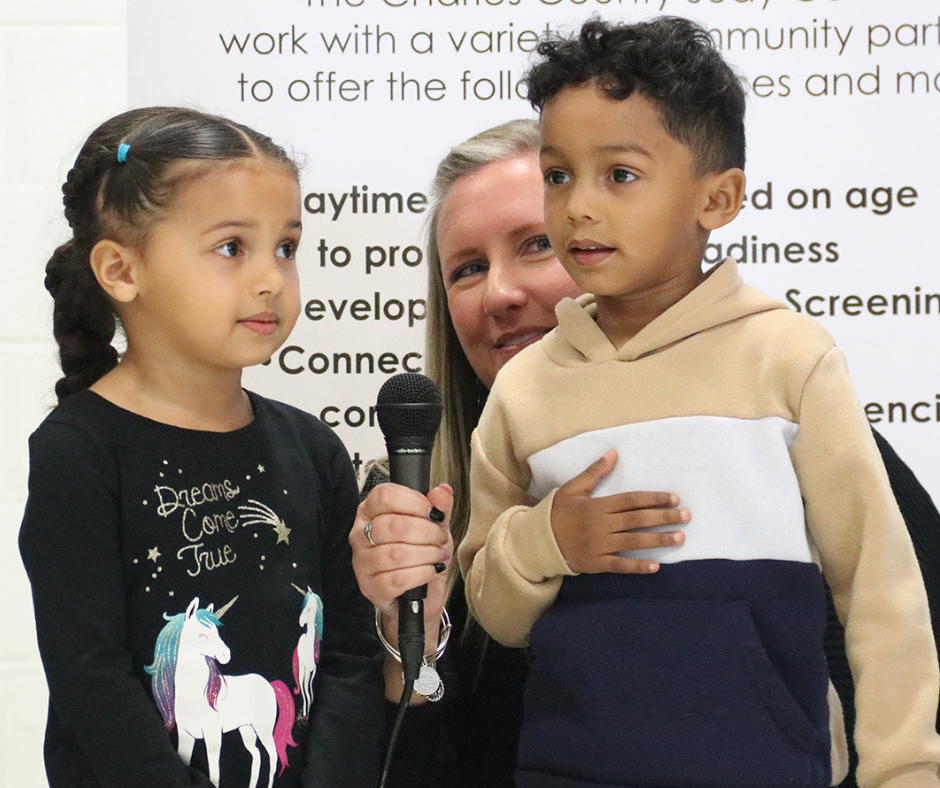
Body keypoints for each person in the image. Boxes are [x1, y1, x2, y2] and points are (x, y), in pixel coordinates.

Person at [459, 17, 940, 788]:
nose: (578, 206)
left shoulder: (788, 358)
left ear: (717, 199)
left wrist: (905, 770)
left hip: (768, 768)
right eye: (558, 175)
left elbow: (881, 591)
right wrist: (544, 541)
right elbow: (495, 611)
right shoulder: (524, 390)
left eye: (618, 174)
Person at [19, 107, 383, 788]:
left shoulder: (314, 449)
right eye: (231, 248)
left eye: (287, 247)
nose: (272, 278)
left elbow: (351, 656)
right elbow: (91, 680)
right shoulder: (81, 451)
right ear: (122, 270)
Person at [352, 119, 689, 787]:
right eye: (469, 269)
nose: (500, 293)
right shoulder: (409, 513)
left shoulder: (769, 438)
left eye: (537, 245)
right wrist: (403, 646)